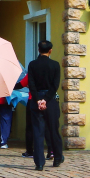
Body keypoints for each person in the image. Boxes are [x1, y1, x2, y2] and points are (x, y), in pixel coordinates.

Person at [27, 39, 65, 171]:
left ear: (38, 50)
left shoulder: (32, 65)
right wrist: (46, 100)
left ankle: (39, 163)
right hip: (50, 100)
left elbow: (31, 84)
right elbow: (55, 86)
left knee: (38, 131)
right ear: (50, 51)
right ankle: (57, 158)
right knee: (53, 129)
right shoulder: (55, 65)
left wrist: (38, 99)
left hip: (36, 99)